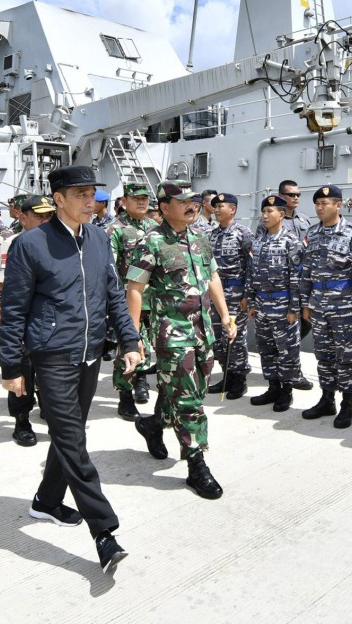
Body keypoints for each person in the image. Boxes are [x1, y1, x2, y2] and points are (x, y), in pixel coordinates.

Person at [0, 165, 136, 573]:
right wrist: (11, 364)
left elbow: (112, 295)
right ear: (58, 198)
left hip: (90, 354)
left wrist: (129, 339)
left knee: (67, 433)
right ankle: (104, 532)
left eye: (92, 193)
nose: (88, 200)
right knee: (74, 439)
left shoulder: (99, 238)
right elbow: (15, 309)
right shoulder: (30, 244)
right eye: (79, 194)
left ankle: (46, 501)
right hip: (52, 355)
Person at [127, 181, 236, 500]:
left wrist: (226, 316)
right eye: (183, 201)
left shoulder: (200, 236)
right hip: (172, 332)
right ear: (163, 207)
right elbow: (135, 289)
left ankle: (153, 424)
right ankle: (196, 466)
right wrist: (133, 338)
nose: (192, 205)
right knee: (190, 402)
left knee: (194, 388)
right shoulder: (152, 241)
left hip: (203, 329)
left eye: (194, 200)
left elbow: (212, 276)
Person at [0, 194, 56, 446]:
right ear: (23, 217)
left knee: (51, 371)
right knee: (22, 369)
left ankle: (50, 411)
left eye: (49, 215)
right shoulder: (12, 243)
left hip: (52, 320)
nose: (46, 220)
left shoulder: (62, 242)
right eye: (40, 216)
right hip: (24, 318)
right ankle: (22, 420)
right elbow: (0, 279)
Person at [299, 185, 352, 428]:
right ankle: (327, 399)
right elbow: (305, 271)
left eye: (325, 203)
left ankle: (348, 405)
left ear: (338, 205)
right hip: (318, 305)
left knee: (346, 356)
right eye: (317, 204)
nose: (319, 208)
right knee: (323, 354)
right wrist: (305, 303)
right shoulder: (312, 233)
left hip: (344, 306)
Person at [247, 194, 303, 412]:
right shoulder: (258, 241)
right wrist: (251, 301)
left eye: (270, 212)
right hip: (261, 305)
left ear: (281, 214)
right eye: (263, 211)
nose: (265, 215)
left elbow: (297, 277)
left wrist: (293, 308)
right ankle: (272, 387)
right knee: (266, 348)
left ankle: (286, 391)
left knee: (286, 350)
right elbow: (252, 274)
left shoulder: (291, 241)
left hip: (282, 304)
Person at [106, 183, 157, 419]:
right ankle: (125, 396)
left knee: (153, 346)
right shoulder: (115, 229)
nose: (142, 202)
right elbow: (110, 269)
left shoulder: (156, 227)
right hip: (128, 299)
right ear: (125, 201)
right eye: (137, 198)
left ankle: (142, 383)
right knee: (128, 347)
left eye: (145, 198)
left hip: (155, 300)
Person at [206, 193, 253, 399]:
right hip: (216, 294)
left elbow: (252, 266)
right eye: (215, 207)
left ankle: (239, 380)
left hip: (236, 294)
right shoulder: (212, 235)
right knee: (217, 338)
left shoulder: (244, 234)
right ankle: (226, 376)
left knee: (234, 337)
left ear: (232, 209)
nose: (216, 210)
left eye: (221, 206)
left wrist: (247, 293)